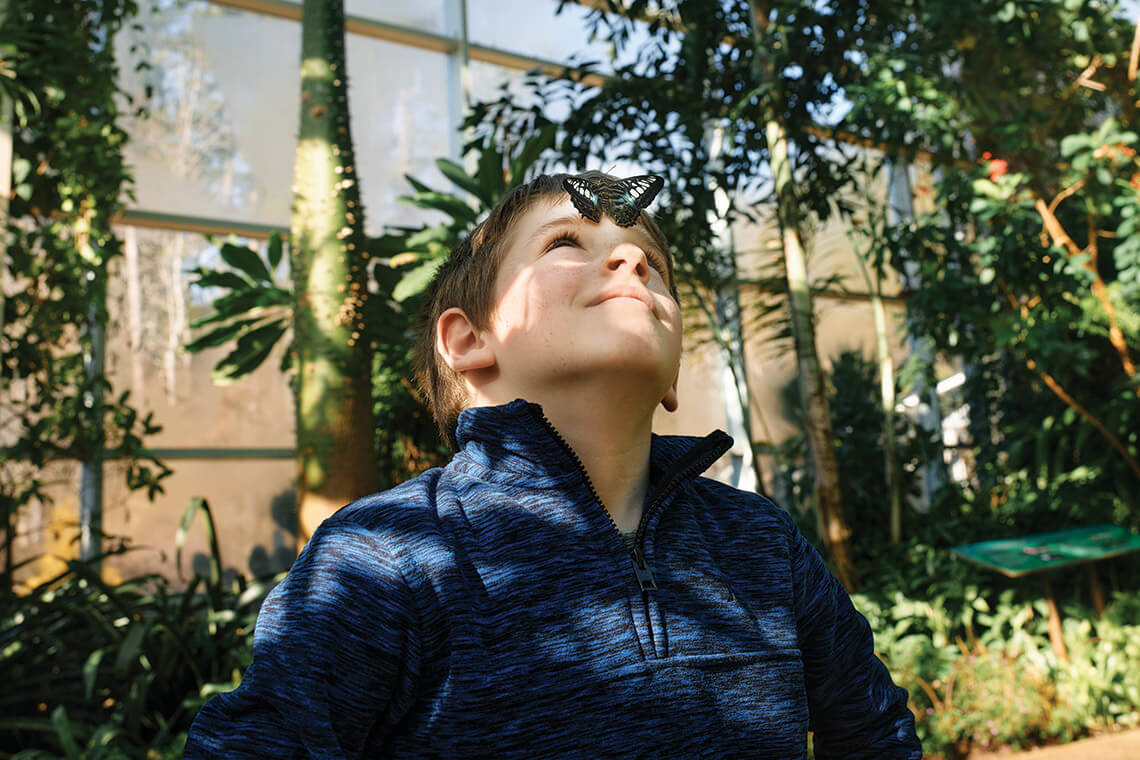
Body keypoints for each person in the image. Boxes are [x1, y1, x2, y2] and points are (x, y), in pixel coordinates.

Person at [184, 172, 922, 758]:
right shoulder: (388, 554)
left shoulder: (759, 542)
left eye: (653, 264)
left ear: (671, 381)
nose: (631, 258)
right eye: (566, 241)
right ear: (468, 341)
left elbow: (876, 734)